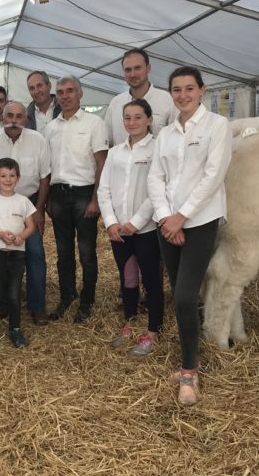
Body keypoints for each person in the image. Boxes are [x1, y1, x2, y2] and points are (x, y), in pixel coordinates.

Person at [147, 66, 232, 406]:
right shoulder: (166, 134)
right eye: (177, 90)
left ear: (202, 90)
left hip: (199, 221)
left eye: (189, 89)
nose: (183, 95)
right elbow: (155, 177)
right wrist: (167, 217)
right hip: (166, 222)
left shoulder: (217, 126)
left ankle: (189, 372)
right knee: (178, 294)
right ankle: (191, 354)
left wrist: (182, 217)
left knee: (183, 297)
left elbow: (214, 176)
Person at [102, 50, 179, 304]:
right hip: (124, 182)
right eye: (127, 69)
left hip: (158, 192)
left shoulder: (167, 100)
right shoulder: (115, 104)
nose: (133, 74)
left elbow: (178, 139)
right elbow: (113, 145)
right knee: (126, 260)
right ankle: (129, 297)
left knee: (152, 256)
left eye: (137, 68)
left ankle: (152, 296)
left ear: (148, 68)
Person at [97, 98, 163, 356]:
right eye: (127, 117)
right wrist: (111, 222)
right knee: (128, 278)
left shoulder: (156, 149)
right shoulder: (115, 152)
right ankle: (130, 323)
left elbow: (157, 191)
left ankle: (153, 331)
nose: (132, 122)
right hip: (118, 231)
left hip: (144, 229)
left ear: (149, 120)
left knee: (152, 279)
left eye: (138, 117)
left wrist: (135, 222)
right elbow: (104, 190)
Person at [45, 76, 108, 322]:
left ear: (80, 94)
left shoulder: (95, 123)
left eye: (70, 91)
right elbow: (47, 167)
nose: (65, 96)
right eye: (60, 92)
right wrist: (48, 198)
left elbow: (102, 163)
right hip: (58, 194)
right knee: (63, 252)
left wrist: (96, 199)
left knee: (86, 252)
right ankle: (67, 295)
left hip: (84, 194)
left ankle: (87, 300)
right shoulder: (51, 128)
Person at [0, 101, 51, 326]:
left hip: (28, 205)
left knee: (34, 254)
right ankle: (2, 303)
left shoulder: (38, 140)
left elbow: (44, 177)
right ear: (1, 117)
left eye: (19, 116)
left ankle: (37, 306)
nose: (13, 120)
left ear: (26, 119)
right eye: (9, 115)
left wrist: (39, 210)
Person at [0, 158, 36, 348]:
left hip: (17, 255)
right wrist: (0, 235)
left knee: (13, 293)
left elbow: (31, 226)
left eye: (12, 176)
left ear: (18, 178)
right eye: (3, 176)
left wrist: (21, 237)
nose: (8, 179)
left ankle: (15, 328)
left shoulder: (24, 201)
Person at [25, 70, 62, 135]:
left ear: (49, 86)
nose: (36, 91)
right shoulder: (26, 116)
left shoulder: (64, 108)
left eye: (39, 86)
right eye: (32, 88)